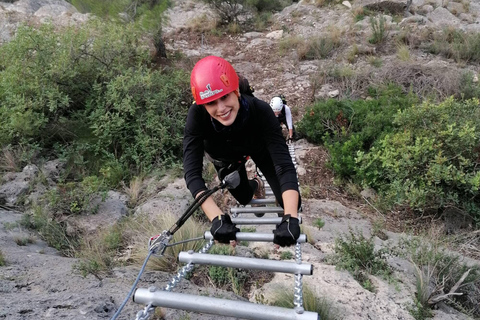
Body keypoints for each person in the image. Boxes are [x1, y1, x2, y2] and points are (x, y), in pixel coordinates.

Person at [183, 55, 301, 247]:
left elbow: (284, 166)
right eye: (211, 103)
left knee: (292, 201)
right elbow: (192, 174)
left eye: (224, 97)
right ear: (202, 105)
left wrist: (290, 219)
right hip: (225, 158)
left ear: (236, 91)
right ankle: (255, 183)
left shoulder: (260, 111)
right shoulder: (196, 117)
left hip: (257, 147)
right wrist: (217, 218)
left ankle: (279, 203)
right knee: (244, 197)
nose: (221, 108)